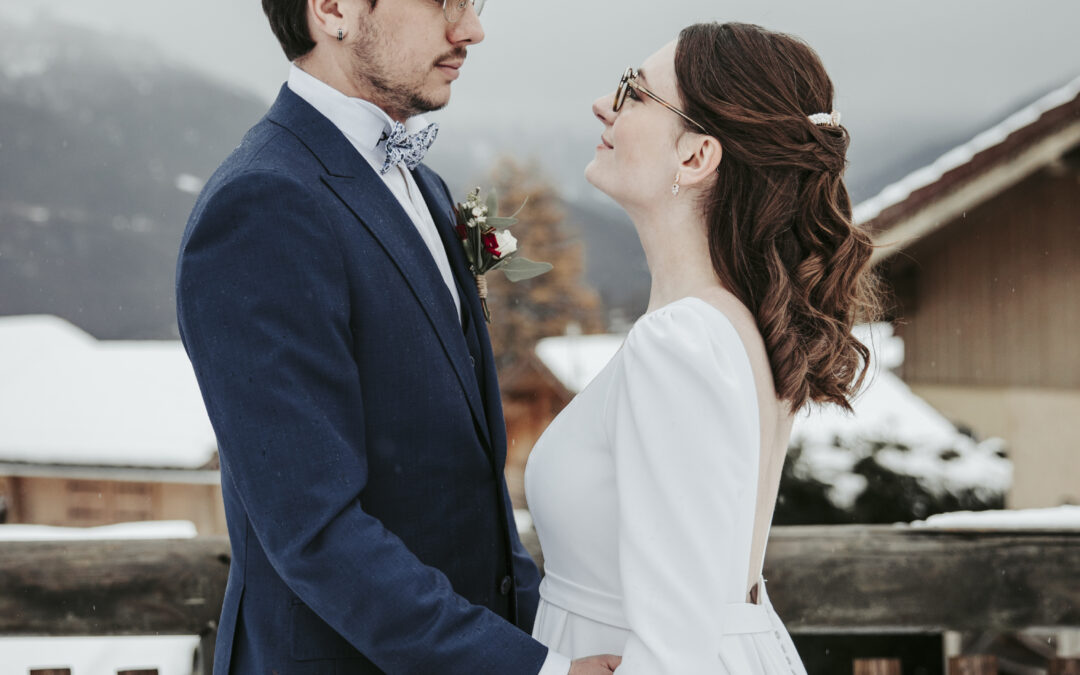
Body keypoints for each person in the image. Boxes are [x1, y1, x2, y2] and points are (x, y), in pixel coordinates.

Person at [175, 0, 617, 673]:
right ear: (332, 9)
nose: (471, 30)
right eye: (444, 3)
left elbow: (467, 485)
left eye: (474, 6)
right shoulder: (264, 204)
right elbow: (315, 531)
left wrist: (544, 637)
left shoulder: (425, 188)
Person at [525, 22, 881, 673]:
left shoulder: (681, 341)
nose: (605, 104)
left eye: (634, 90)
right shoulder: (728, 324)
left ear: (696, 156)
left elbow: (673, 650)